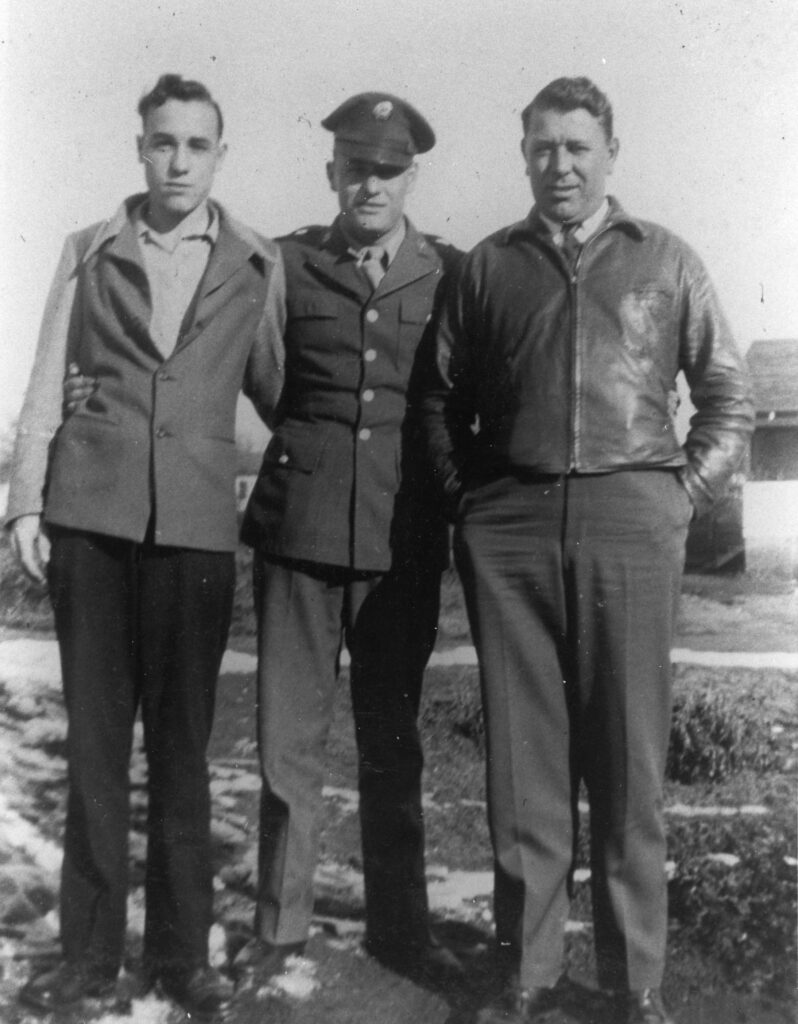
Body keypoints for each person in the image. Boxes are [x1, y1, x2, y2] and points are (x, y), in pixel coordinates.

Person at [423, 77, 753, 1024]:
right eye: (541, 148)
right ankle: (526, 975)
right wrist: (468, 504)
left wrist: (679, 497)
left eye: (576, 147)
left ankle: (632, 981)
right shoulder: (488, 267)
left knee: (629, 760)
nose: (558, 165)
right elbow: (440, 405)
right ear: (522, 154)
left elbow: (727, 397)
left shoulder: (667, 261)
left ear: (612, 151)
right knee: (524, 766)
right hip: (512, 528)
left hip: (631, 521)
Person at [5, 74, 284, 1018]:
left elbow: (283, 388)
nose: (178, 161)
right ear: (139, 148)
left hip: (196, 534)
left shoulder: (255, 264)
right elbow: (47, 383)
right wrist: (26, 507)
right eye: (163, 142)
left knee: (182, 756)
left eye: (196, 145)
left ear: (219, 155)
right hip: (91, 525)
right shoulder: (88, 251)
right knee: (92, 751)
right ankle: (87, 961)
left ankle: (180, 957)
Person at [237, 93, 462, 986]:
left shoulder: (449, 273)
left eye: (389, 168)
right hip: (298, 528)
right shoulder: (288, 262)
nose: (372, 183)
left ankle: (400, 928)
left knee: (391, 739)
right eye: (356, 167)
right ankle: (279, 928)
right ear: (332, 172)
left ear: (414, 176)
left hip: (401, 536)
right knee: (288, 741)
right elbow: (266, 380)